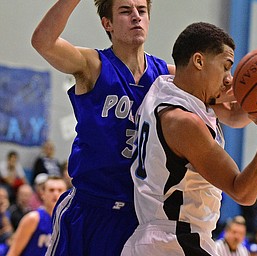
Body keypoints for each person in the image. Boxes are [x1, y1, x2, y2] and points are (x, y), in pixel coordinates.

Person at [121, 22, 257, 255]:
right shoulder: (185, 123)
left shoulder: (164, 87)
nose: (229, 79)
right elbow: (243, 192)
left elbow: (235, 116)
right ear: (198, 61)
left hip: (158, 238)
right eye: (226, 67)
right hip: (178, 241)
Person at [31, 0, 173, 255]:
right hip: (88, 208)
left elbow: (224, 104)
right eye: (125, 11)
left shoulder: (167, 78)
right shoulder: (93, 65)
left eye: (142, 11)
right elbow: (43, 42)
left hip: (137, 216)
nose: (136, 17)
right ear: (107, 23)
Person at [7, 176, 67, 256]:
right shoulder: (33, 218)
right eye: (51, 190)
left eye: (60, 190)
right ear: (43, 194)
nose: (55, 194)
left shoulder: (67, 221)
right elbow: (13, 253)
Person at [0, 187, 13, 255]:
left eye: (4, 197)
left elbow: (9, 231)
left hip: (4, 243)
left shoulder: (6, 212)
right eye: (0, 197)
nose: (2, 200)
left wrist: (3, 212)